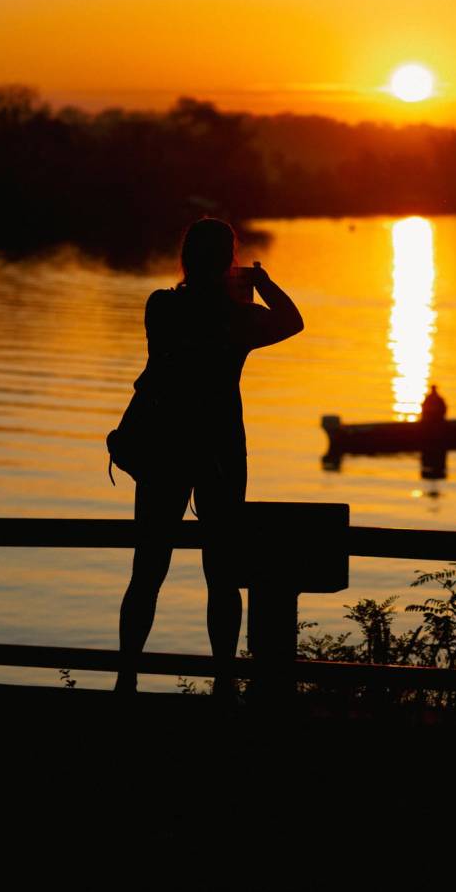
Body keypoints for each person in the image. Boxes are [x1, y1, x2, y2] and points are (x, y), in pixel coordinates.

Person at [115, 216, 304, 696]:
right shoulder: (238, 319)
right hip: (219, 453)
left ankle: (127, 678)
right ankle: (224, 681)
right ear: (228, 263)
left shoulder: (161, 307)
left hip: (164, 451)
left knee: (147, 569)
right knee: (222, 575)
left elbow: (170, 355)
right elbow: (292, 320)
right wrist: (259, 283)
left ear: (186, 258)